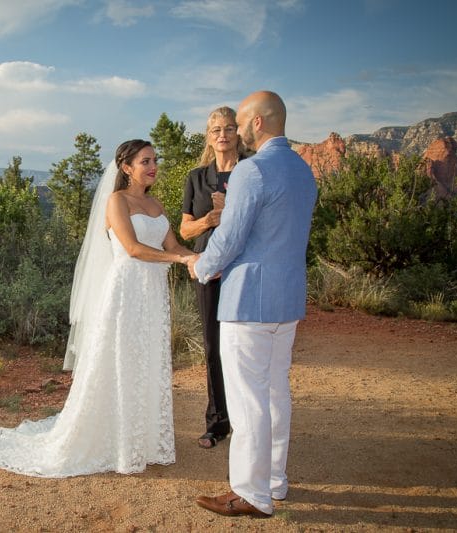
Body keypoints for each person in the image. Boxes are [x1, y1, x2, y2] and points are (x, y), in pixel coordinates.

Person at [0, 139, 194, 477]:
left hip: (152, 294)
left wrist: (194, 257)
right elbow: (132, 248)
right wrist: (178, 259)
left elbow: (172, 243)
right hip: (126, 293)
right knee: (119, 362)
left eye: (155, 159)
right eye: (146, 161)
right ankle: (114, 439)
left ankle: (141, 439)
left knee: (146, 361)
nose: (153, 165)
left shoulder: (156, 205)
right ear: (127, 168)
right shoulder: (117, 201)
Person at [187, 91, 317, 518]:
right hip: (287, 298)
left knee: (248, 401)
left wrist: (203, 267)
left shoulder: (252, 170)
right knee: (276, 393)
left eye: (241, 122)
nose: (238, 130)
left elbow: (230, 237)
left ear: (257, 123)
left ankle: (251, 493)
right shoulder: (302, 170)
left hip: (248, 301)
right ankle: (275, 481)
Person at [179, 106, 245, 449]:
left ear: (239, 133)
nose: (223, 134)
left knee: (243, 345)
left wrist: (230, 210)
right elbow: (185, 229)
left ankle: (246, 421)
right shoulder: (196, 178)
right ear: (209, 136)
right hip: (207, 268)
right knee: (212, 345)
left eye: (229, 128)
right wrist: (212, 219)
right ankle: (217, 423)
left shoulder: (251, 171)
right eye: (216, 129)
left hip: (243, 267)